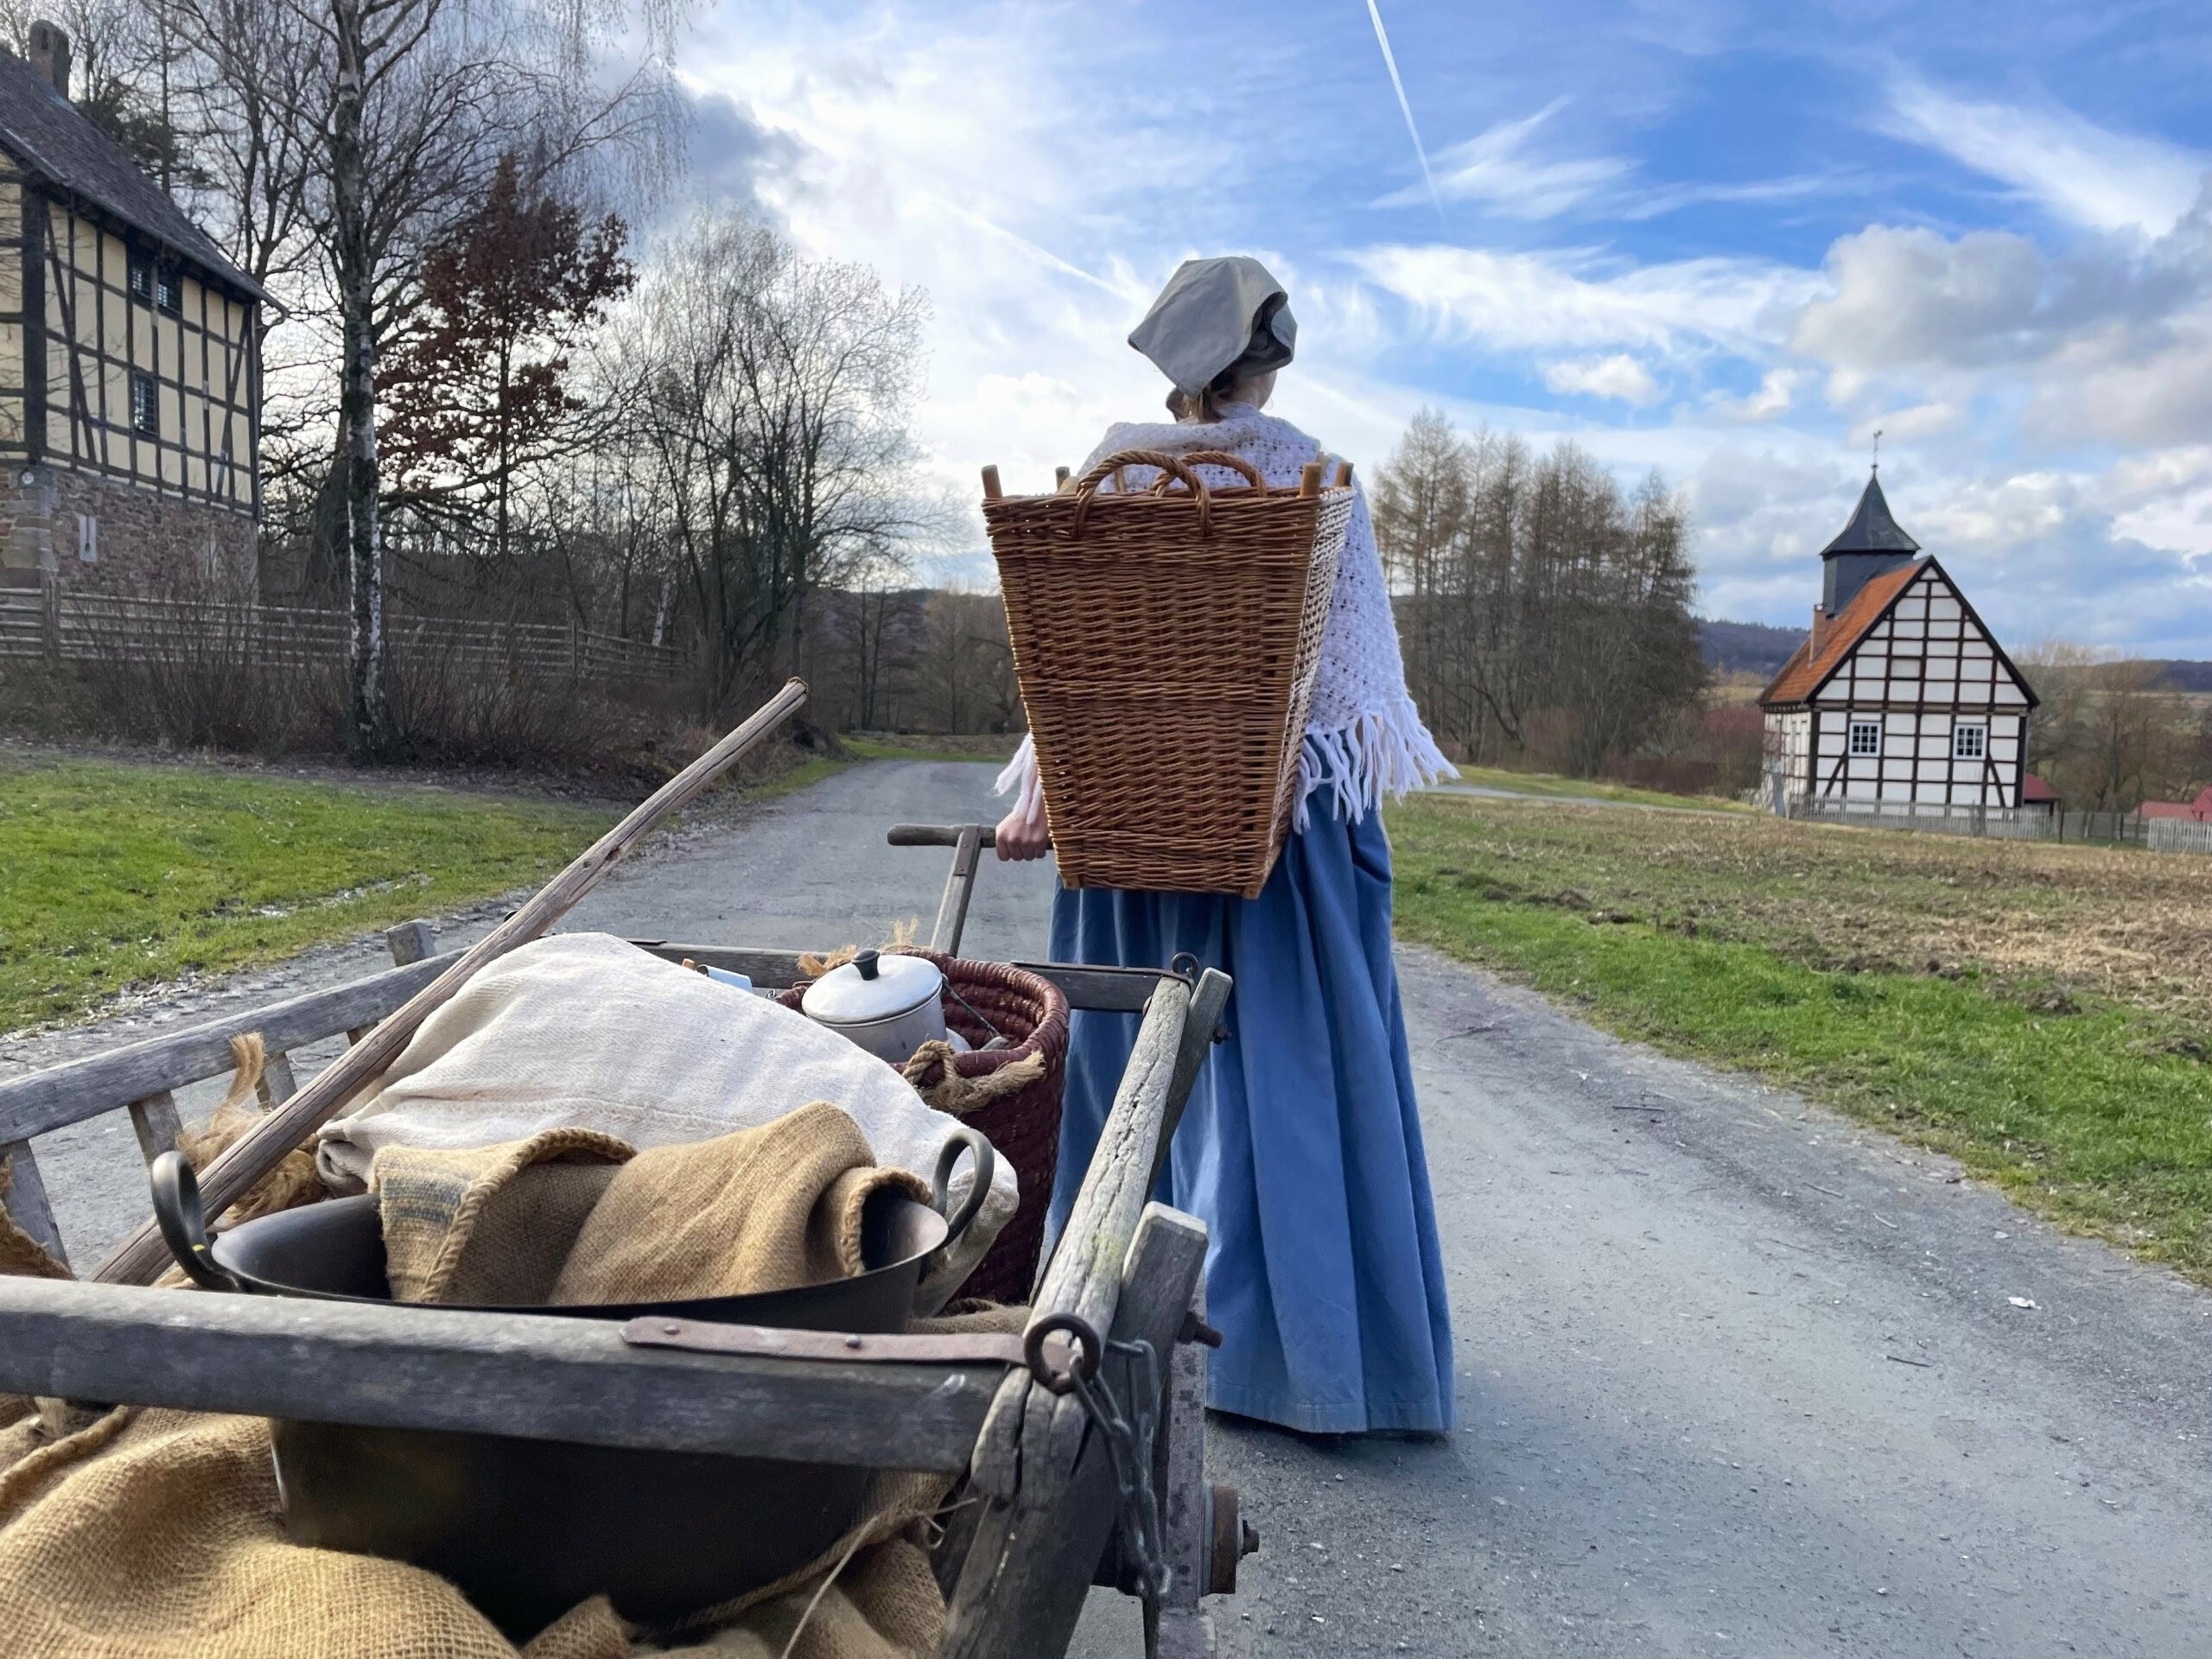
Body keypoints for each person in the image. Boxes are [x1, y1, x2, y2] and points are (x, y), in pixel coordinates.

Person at [993, 256, 1459, 1435]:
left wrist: (1047, 792)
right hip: (1276, 836)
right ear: (1269, 352)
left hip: (1130, 824)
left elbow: (1076, 666)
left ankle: (1090, 1317)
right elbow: (1346, 700)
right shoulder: (1315, 478)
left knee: (1119, 1077)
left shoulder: (1106, 477)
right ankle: (1303, 1365)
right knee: (1284, 1079)